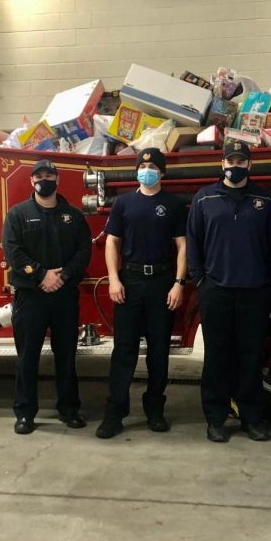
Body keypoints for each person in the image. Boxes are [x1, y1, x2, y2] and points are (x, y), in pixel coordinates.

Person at [187, 139, 271, 443]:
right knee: (216, 357)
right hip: (216, 292)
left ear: (250, 165)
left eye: (241, 162)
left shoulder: (265, 201)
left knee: (251, 357)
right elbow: (193, 244)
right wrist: (201, 281)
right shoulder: (204, 199)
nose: (235, 166)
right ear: (222, 164)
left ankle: (251, 418)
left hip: (255, 292)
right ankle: (215, 419)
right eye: (231, 161)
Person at [95, 148, 188, 439]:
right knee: (124, 350)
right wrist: (113, 279)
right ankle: (115, 413)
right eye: (142, 166)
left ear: (162, 172)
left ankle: (155, 410)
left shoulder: (173, 205)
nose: (147, 170)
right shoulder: (123, 203)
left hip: (162, 283)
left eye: (152, 166)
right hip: (130, 282)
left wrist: (178, 283)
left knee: (159, 351)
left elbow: (183, 246)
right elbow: (112, 243)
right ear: (137, 170)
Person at [1, 159, 93, 435]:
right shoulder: (17, 215)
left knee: (66, 356)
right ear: (31, 181)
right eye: (39, 175)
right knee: (27, 358)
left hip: (64, 296)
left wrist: (62, 276)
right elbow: (13, 252)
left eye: (49, 175)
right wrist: (41, 275)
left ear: (57, 179)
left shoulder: (74, 216)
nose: (44, 179)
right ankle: (25, 413)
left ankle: (69, 410)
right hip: (31, 297)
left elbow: (83, 252)